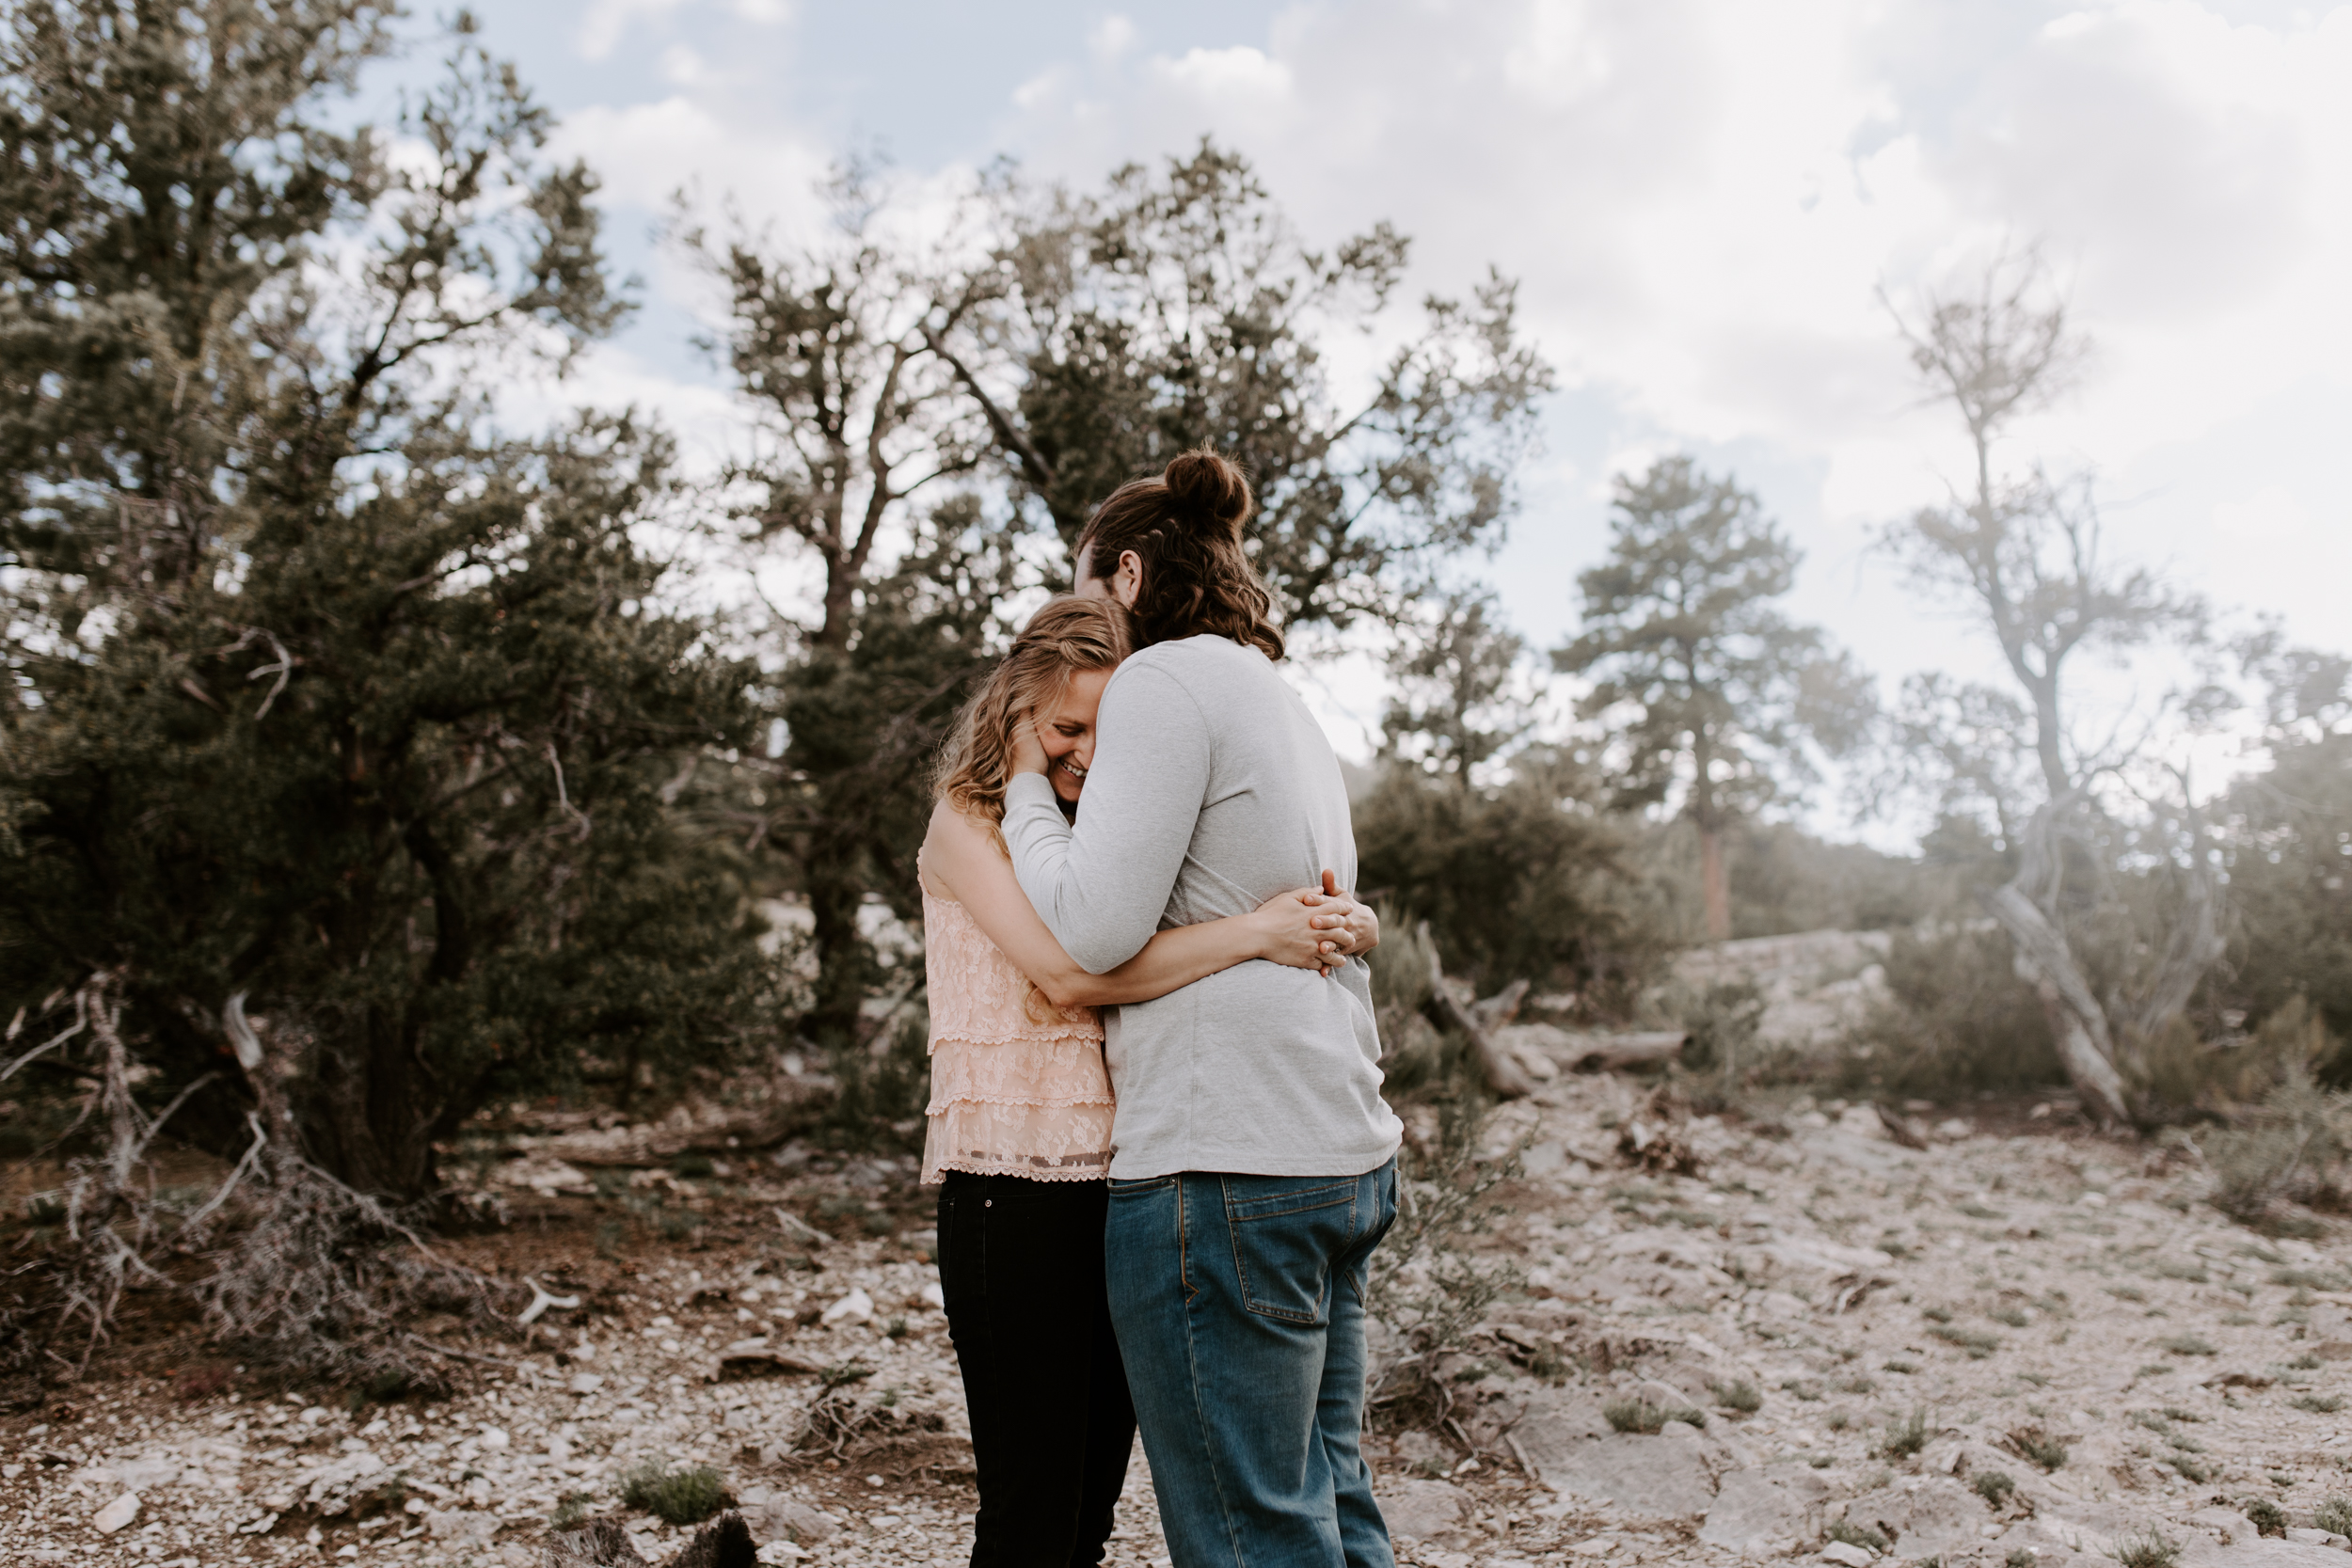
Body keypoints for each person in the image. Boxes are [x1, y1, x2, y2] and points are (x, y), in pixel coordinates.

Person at [1001, 452, 1405, 1568]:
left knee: (1250, 1536)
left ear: (1125, 573)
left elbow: (1089, 928)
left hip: (1227, 1166)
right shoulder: (1283, 701)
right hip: (1336, 1150)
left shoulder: (1162, 682)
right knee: (1330, 1504)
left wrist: (1028, 788)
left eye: (1085, 587)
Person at [919, 593, 1376, 1568]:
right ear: (1013, 712)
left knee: (1089, 1510)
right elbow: (1069, 972)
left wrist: (1344, 922)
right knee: (1032, 1508)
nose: (1087, 750)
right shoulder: (967, 822)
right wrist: (1260, 932)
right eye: (1065, 726)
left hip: (1129, 1184)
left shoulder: (1111, 840)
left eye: (1106, 729)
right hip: (1015, 1189)